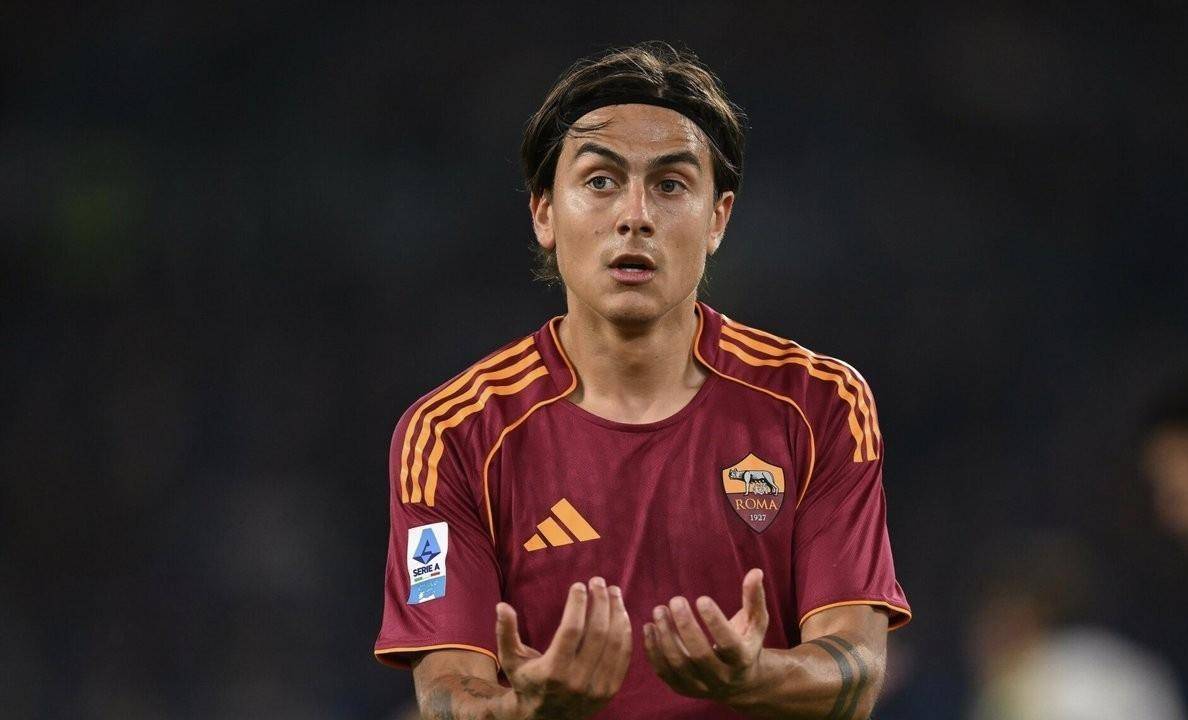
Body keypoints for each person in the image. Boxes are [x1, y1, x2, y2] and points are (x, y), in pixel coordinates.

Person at [373, 41, 910, 719]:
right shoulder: (451, 435)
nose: (635, 216)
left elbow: (858, 669)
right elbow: (444, 692)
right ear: (544, 213)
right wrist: (527, 710)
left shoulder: (820, 403)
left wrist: (753, 677)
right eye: (600, 181)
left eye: (671, 185)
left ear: (718, 218)